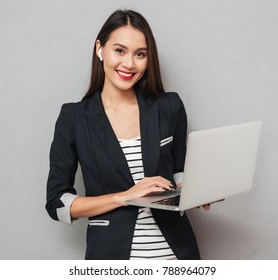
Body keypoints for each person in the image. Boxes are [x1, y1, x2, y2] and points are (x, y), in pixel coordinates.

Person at [46, 9, 210, 260]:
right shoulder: (74, 118)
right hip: (111, 257)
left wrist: (195, 190)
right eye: (119, 50)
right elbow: (57, 203)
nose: (130, 64)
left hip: (177, 256)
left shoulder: (169, 107)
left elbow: (178, 172)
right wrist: (124, 197)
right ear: (99, 49)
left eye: (140, 54)